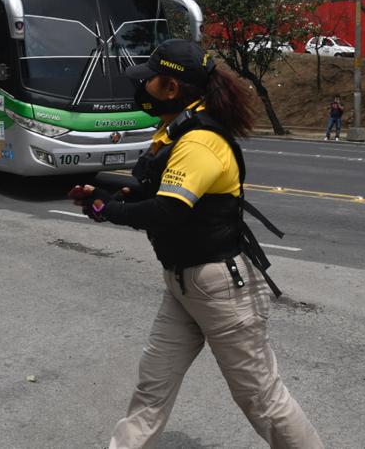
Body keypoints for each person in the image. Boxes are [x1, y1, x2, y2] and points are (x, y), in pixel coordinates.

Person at [69, 39, 322, 449]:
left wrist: (105, 210)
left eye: (149, 80)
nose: (141, 87)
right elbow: (154, 190)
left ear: (170, 88)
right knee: (152, 388)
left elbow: (170, 211)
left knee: (262, 400)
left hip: (220, 287)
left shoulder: (200, 142)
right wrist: (107, 195)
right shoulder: (175, 130)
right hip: (183, 282)